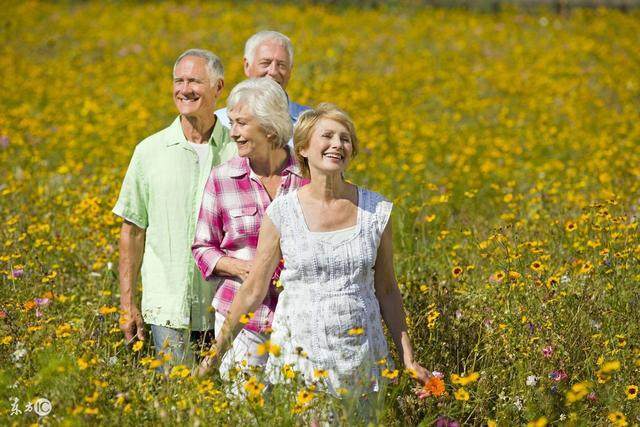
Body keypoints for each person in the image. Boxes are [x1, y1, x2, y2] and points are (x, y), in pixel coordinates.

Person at [197, 104, 428, 397]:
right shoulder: (282, 213)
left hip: (363, 361)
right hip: (301, 365)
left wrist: (408, 357)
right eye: (328, 136)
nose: (337, 144)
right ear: (303, 148)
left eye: (345, 139)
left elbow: (387, 290)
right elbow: (253, 290)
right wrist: (215, 355)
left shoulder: (376, 211)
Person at [113, 49, 237, 368]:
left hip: (227, 307)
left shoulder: (238, 151)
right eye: (178, 81)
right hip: (166, 309)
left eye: (194, 81)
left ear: (218, 87)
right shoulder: (149, 151)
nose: (184, 89)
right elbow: (132, 230)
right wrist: (127, 305)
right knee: (176, 404)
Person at [192, 77, 308, 378]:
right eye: (232, 123)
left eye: (241, 123)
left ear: (269, 126)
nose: (233, 133)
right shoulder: (222, 178)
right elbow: (202, 248)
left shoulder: (307, 176)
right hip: (240, 319)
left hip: (299, 318)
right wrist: (244, 269)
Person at [215, 30, 309, 139]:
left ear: (290, 70)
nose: (273, 71)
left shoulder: (310, 123)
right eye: (265, 63)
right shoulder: (220, 122)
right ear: (247, 66)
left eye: (281, 65)